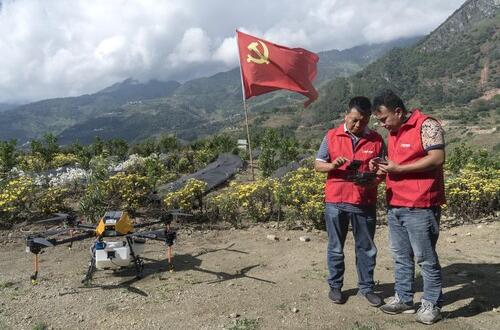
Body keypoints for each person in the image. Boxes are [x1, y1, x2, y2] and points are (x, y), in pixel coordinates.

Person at [370, 90, 445, 325]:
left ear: (399, 112)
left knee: (425, 258)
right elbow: (396, 164)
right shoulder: (393, 132)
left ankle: (432, 303)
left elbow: (437, 158)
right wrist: (381, 167)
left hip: (421, 205)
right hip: (396, 204)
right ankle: (403, 297)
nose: (382, 124)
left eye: (384, 119)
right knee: (401, 256)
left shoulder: (427, 125)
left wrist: (399, 169)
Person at [315, 96, 385, 307]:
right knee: (336, 246)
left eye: (362, 122)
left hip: (364, 201)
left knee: (366, 248)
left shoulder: (376, 140)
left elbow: (384, 168)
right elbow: (318, 164)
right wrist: (333, 165)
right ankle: (335, 287)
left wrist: (374, 176)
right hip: (336, 201)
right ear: (346, 115)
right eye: (354, 120)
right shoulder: (331, 136)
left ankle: (367, 288)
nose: (357, 125)